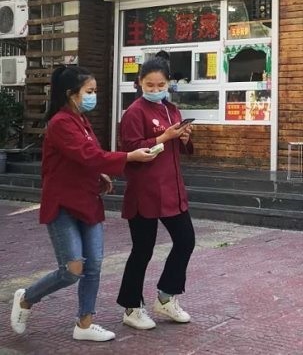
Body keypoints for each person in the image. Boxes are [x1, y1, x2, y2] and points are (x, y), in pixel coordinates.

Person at [10, 65, 156, 341]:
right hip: (63, 204)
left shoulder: (81, 120)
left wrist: (100, 173)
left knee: (94, 266)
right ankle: (27, 298)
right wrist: (129, 157)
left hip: (87, 201)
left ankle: (85, 324)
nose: (93, 96)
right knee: (72, 269)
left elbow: (86, 157)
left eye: (94, 91)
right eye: (89, 91)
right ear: (71, 94)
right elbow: (88, 155)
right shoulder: (61, 123)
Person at [116, 58, 196, 330]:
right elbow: (131, 149)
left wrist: (184, 138)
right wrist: (164, 137)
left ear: (168, 83)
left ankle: (166, 296)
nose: (155, 89)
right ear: (140, 83)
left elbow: (180, 147)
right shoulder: (134, 112)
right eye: (149, 84)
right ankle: (131, 307)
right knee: (142, 250)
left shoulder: (172, 109)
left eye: (161, 84)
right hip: (145, 190)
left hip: (172, 188)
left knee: (185, 240)